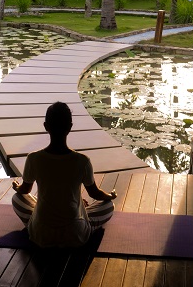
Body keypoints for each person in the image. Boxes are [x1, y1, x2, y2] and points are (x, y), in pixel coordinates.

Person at [11, 102, 117, 247]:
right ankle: (83, 215)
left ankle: (44, 214)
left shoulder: (33, 158)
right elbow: (95, 194)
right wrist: (109, 196)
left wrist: (17, 188)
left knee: (17, 198)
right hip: (74, 235)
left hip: (41, 234)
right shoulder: (82, 161)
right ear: (70, 127)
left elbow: (25, 190)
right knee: (109, 206)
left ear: (46, 126)